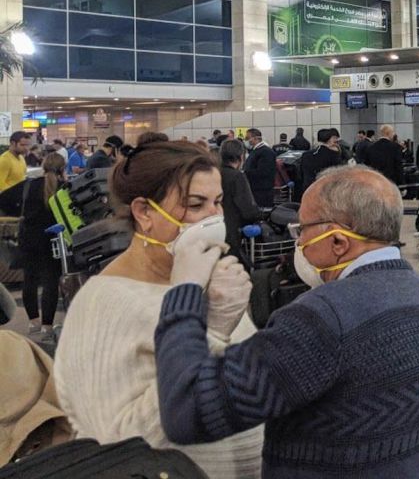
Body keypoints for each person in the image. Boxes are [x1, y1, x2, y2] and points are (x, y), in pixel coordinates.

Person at [151, 165, 419, 477]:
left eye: (301, 229)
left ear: (337, 242)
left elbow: (188, 411)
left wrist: (185, 292)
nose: (298, 243)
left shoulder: (320, 319)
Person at [54, 140, 264, 478]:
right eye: (196, 205)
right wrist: (210, 329)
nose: (213, 218)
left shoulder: (214, 282)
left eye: (218, 203)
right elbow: (118, 446)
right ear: (144, 212)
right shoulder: (104, 305)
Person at [18, 153, 66, 341]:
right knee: (50, 281)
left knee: (29, 278)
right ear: (62, 169)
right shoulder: (64, 188)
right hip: (52, 238)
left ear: (43, 166)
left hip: (28, 237)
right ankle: (47, 326)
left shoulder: (29, 184)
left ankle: (33, 322)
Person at [218, 139, 262, 266]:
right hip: (232, 231)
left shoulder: (214, 173)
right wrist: (259, 217)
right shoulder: (237, 176)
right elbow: (248, 209)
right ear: (241, 156)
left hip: (215, 228)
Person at [297, 129, 343, 199]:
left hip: (308, 190)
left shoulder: (306, 155)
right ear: (330, 139)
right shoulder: (333, 155)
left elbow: (301, 174)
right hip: (326, 192)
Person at [242, 129, 277, 209]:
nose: (246, 141)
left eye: (248, 138)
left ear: (256, 138)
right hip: (255, 190)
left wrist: (245, 173)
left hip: (262, 192)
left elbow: (264, 172)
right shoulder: (255, 151)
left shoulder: (266, 152)